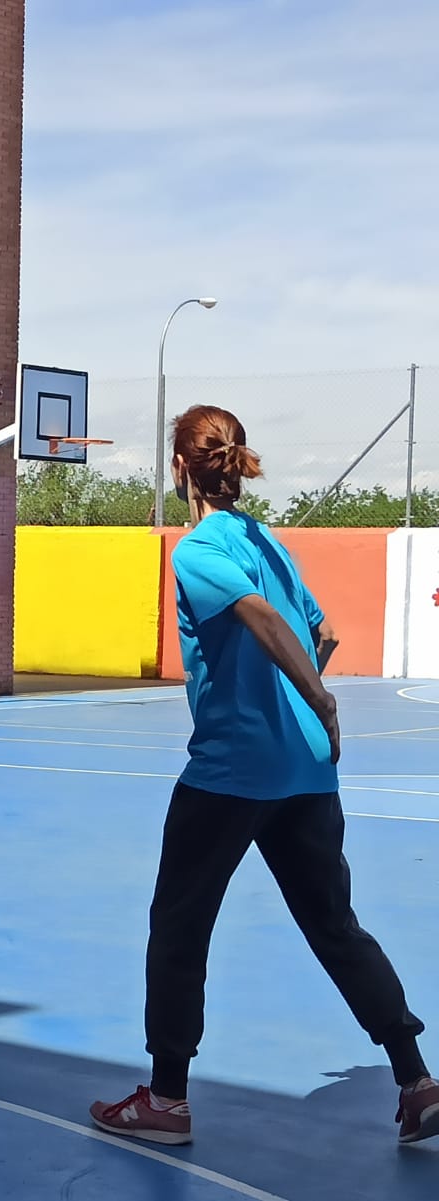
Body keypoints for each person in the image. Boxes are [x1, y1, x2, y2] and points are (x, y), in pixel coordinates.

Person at [88, 406, 437, 1147]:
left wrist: (317, 696)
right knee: (335, 926)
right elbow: (323, 630)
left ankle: (167, 1099)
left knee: (179, 928)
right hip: (305, 772)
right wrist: (303, 708)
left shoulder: (199, 549)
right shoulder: (268, 541)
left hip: (231, 771)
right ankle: (416, 1081)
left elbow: (263, 620)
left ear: (179, 468)